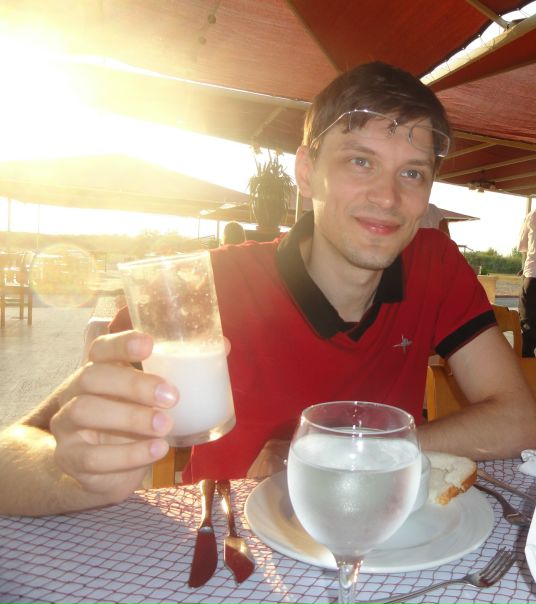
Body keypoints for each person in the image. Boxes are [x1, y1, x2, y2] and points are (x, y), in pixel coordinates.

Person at [1, 62, 535, 516]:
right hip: (231, 550)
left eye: (412, 173)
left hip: (382, 534)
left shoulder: (433, 264)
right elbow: (13, 451)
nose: (388, 197)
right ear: (306, 171)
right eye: (360, 161)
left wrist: (347, 453)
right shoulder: (203, 287)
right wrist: (71, 474)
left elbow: (520, 420)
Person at [518, 208, 536, 357]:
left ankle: (527, 365)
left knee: (528, 327)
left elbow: (523, 246)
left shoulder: (532, 215)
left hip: (533, 276)